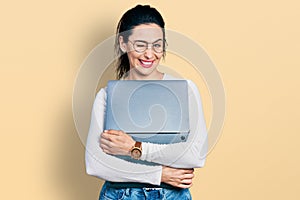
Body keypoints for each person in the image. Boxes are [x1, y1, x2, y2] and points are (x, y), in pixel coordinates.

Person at [85, 4, 208, 200]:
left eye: (157, 45)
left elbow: (194, 154)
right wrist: (160, 174)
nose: (149, 54)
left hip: (172, 195)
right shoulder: (106, 97)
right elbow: (96, 164)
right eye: (140, 45)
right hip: (119, 195)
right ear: (123, 44)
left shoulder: (185, 90)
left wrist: (132, 147)